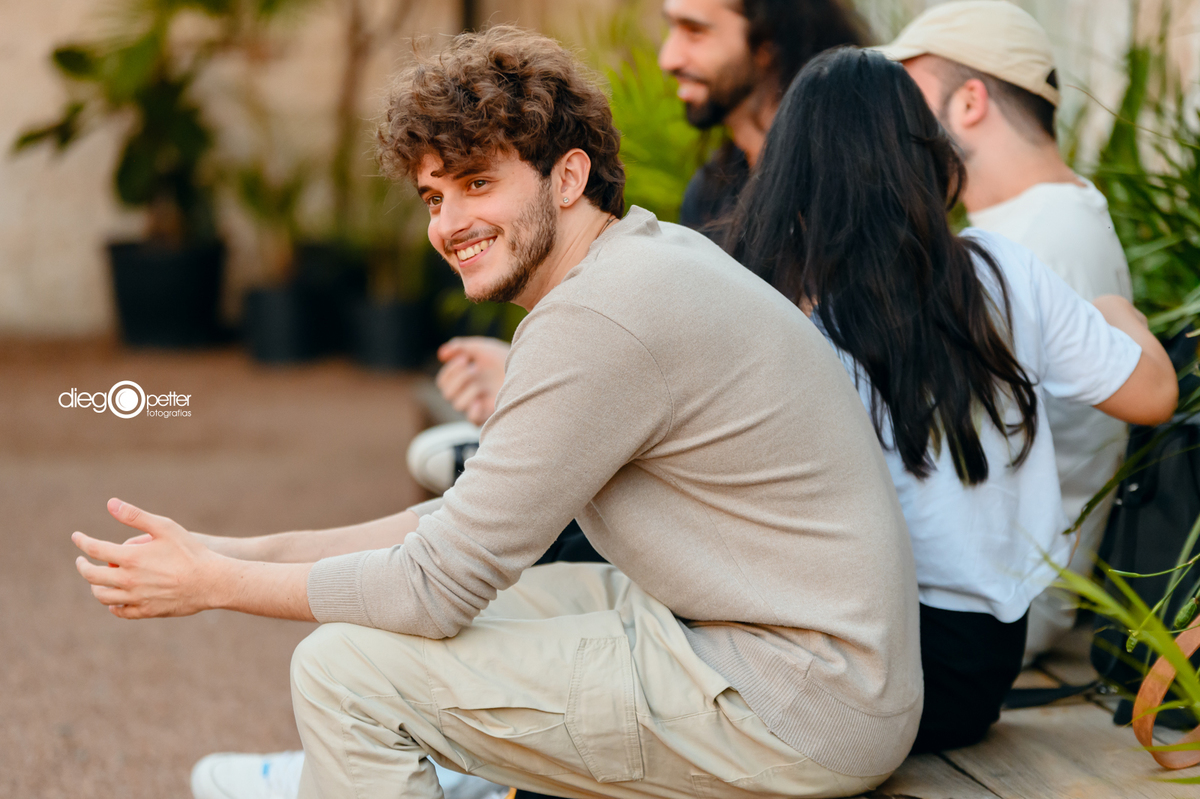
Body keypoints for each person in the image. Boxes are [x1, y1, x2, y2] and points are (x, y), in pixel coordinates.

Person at [73, 27, 924, 799]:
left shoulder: (600, 317)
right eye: (434, 197)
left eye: (478, 182)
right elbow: (453, 530)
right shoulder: (634, 266)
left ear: (569, 175)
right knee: (436, 620)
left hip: (796, 699)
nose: (450, 223)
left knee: (345, 674)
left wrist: (216, 585)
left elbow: (431, 588)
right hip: (775, 654)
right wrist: (230, 548)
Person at [724, 46, 1177, 753]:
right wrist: (1122, 312)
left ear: (789, 170)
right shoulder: (1001, 273)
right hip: (976, 673)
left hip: (852, 678)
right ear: (926, 155)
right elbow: (1153, 395)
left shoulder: (778, 307)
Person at [409, 0, 868, 487]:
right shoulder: (712, 191)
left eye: (695, 31)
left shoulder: (849, 194)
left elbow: (786, 389)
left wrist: (552, 384)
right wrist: (541, 378)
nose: (669, 56)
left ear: (771, 44)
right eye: (434, 199)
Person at [879, 0, 1138, 663]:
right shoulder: (1040, 221)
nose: (887, 124)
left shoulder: (1032, 236)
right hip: (998, 588)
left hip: (992, 603)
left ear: (969, 102)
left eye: (906, 100)